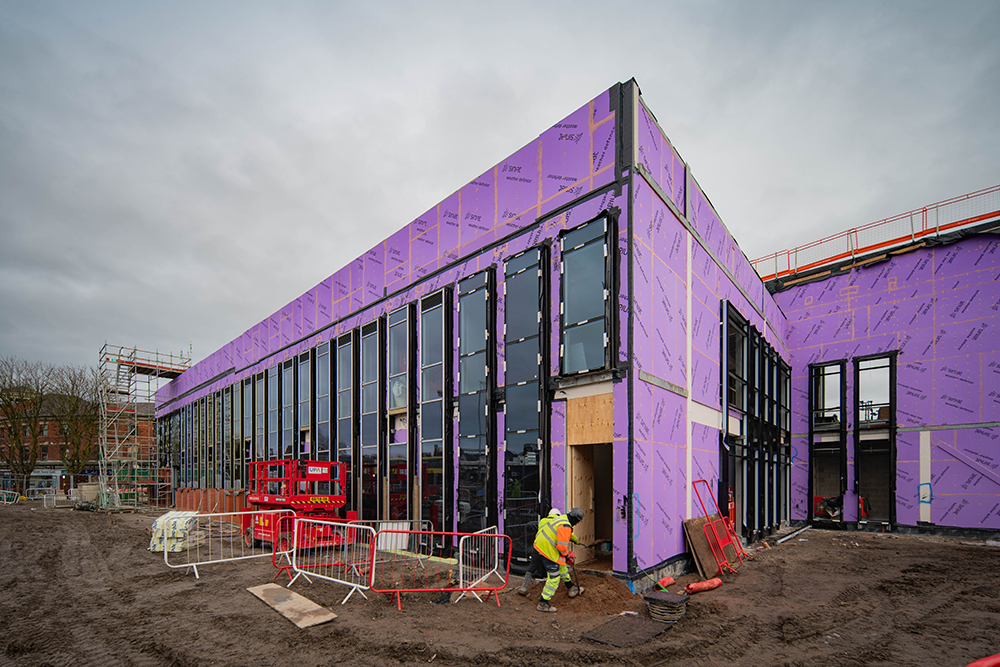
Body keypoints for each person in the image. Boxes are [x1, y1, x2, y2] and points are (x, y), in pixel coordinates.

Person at [517, 507, 585, 612]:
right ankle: (543, 602)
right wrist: (567, 556)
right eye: (578, 522)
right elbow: (561, 547)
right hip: (547, 549)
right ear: (576, 519)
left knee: (562, 566)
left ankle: (571, 587)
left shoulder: (562, 519)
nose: (577, 524)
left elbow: (565, 536)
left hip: (540, 545)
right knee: (554, 577)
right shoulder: (566, 526)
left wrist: (576, 543)